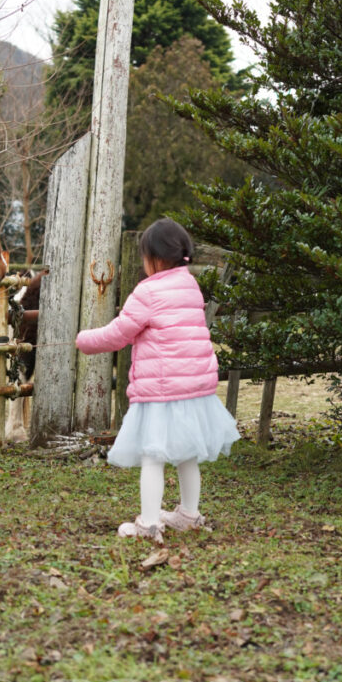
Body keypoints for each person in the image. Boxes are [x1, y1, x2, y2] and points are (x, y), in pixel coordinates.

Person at [75, 217, 240, 543]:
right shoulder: (190, 285)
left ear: (156, 258)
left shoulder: (147, 291)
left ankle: (149, 525)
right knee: (187, 454)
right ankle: (189, 515)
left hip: (162, 391)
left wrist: (84, 340)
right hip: (193, 389)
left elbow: (119, 333)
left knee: (154, 456)